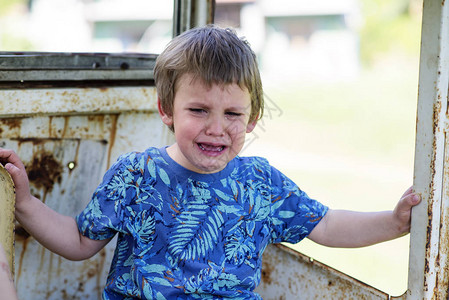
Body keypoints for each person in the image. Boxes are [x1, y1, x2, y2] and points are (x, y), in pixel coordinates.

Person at [0, 25, 421, 299]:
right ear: (166, 110)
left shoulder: (260, 183)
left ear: (252, 118)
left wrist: (393, 222)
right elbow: (78, 241)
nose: (216, 129)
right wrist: (25, 204)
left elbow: (326, 224)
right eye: (198, 110)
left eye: (232, 115)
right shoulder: (136, 175)